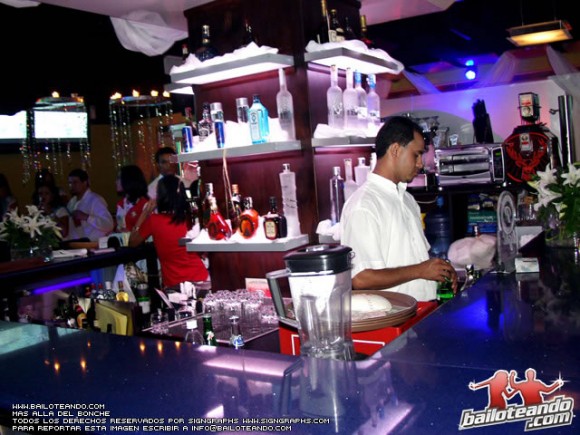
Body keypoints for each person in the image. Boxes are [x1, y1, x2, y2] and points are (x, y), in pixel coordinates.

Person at [340, 116, 457, 302]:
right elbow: (361, 278)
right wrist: (420, 270)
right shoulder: (364, 205)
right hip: (395, 317)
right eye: (416, 155)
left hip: (423, 311)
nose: (420, 164)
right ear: (395, 150)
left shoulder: (407, 199)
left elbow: (416, 261)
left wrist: (440, 273)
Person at [129, 174, 208, 288]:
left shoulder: (154, 221)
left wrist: (145, 213)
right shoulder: (190, 218)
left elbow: (132, 242)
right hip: (199, 278)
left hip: (174, 284)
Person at [65, 168, 114, 241]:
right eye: (70, 183)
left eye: (75, 182)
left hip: (93, 244)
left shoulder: (95, 200)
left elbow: (108, 225)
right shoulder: (71, 203)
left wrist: (86, 217)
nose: (72, 186)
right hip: (76, 244)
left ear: (84, 183)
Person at [115, 165, 149, 232]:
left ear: (129, 180)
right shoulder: (120, 204)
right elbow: (120, 226)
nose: (116, 181)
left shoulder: (144, 204)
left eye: (119, 178)